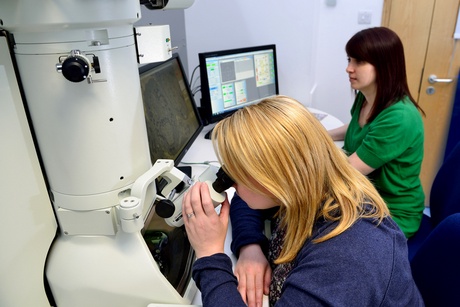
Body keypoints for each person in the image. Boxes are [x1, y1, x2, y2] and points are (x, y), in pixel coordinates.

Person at [182, 96, 423, 306]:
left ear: (274, 177)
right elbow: (247, 201)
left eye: (237, 172)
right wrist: (250, 246)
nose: (231, 183)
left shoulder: (347, 255)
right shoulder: (311, 186)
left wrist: (210, 255)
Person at [328, 27, 425, 239]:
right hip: (362, 198)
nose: (349, 68)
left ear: (384, 66)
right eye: (349, 60)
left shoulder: (399, 117)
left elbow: (347, 172)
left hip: (390, 212)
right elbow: (357, 128)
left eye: (359, 62)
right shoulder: (367, 97)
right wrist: (321, 135)